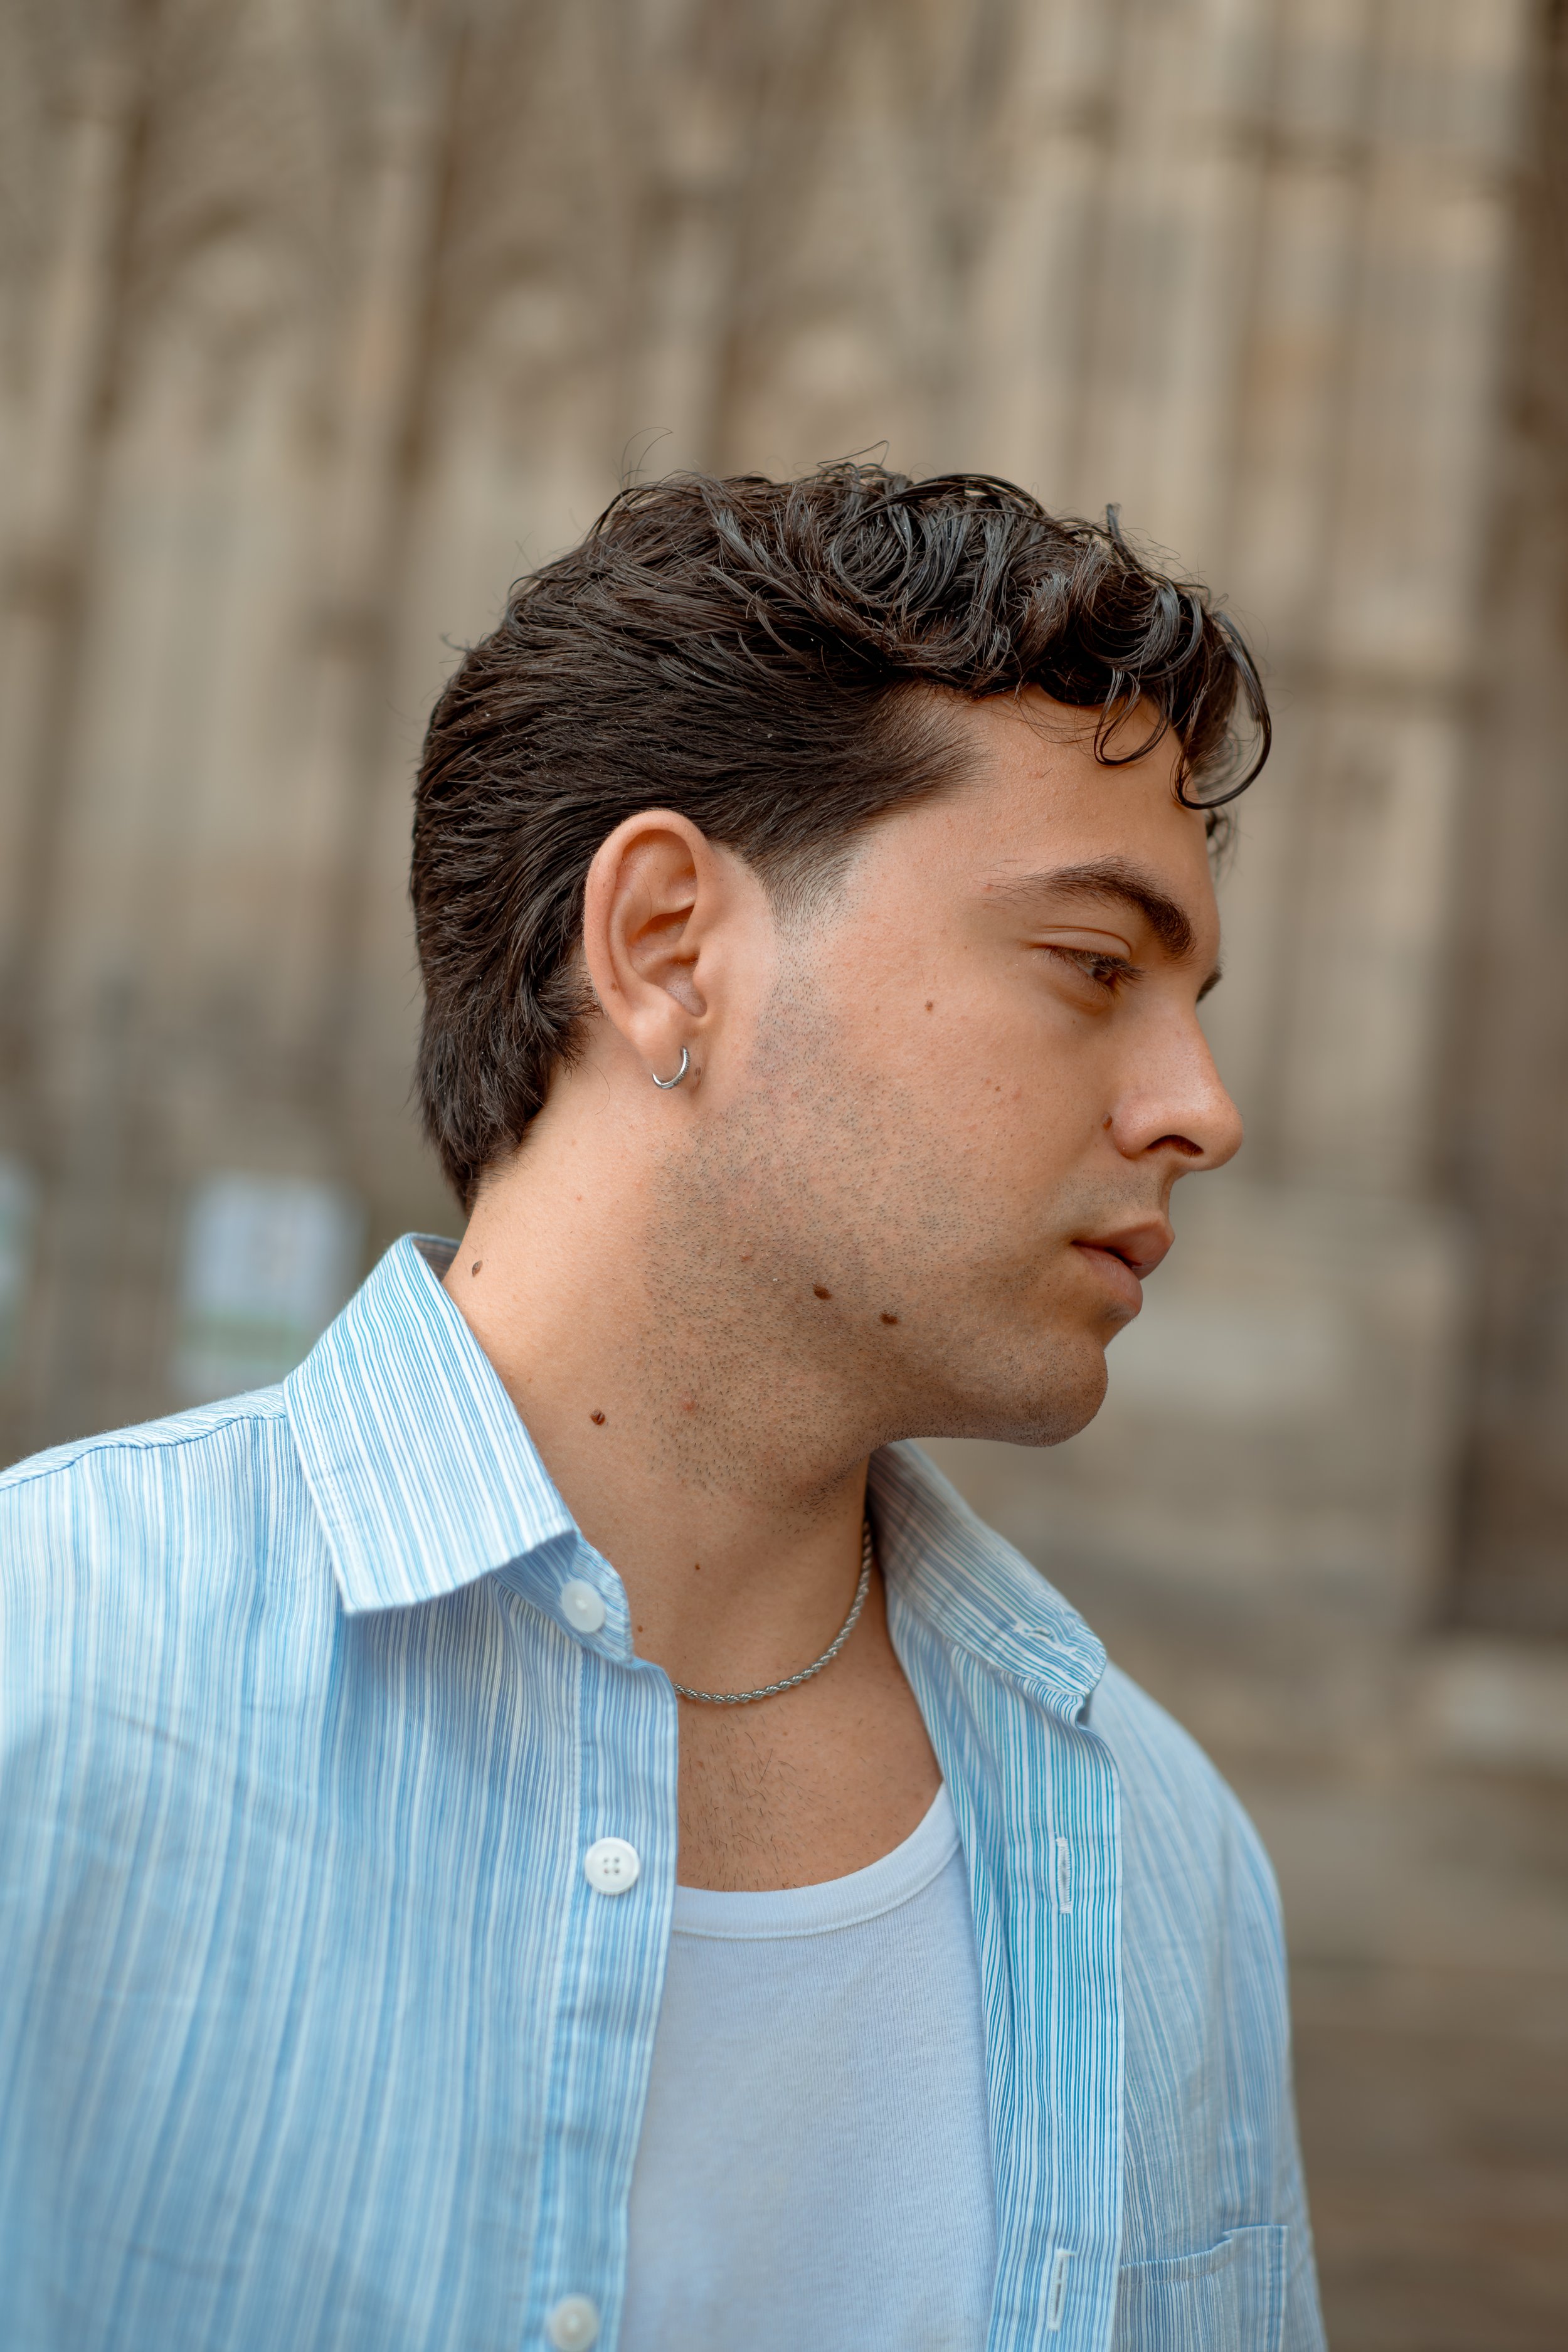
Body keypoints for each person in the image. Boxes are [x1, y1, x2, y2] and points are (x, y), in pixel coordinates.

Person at [0, 466, 1325, 2352]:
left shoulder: (1167, 1868)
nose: (1200, 1105)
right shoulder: (47, 1688)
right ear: (665, 948)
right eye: (1092, 968)